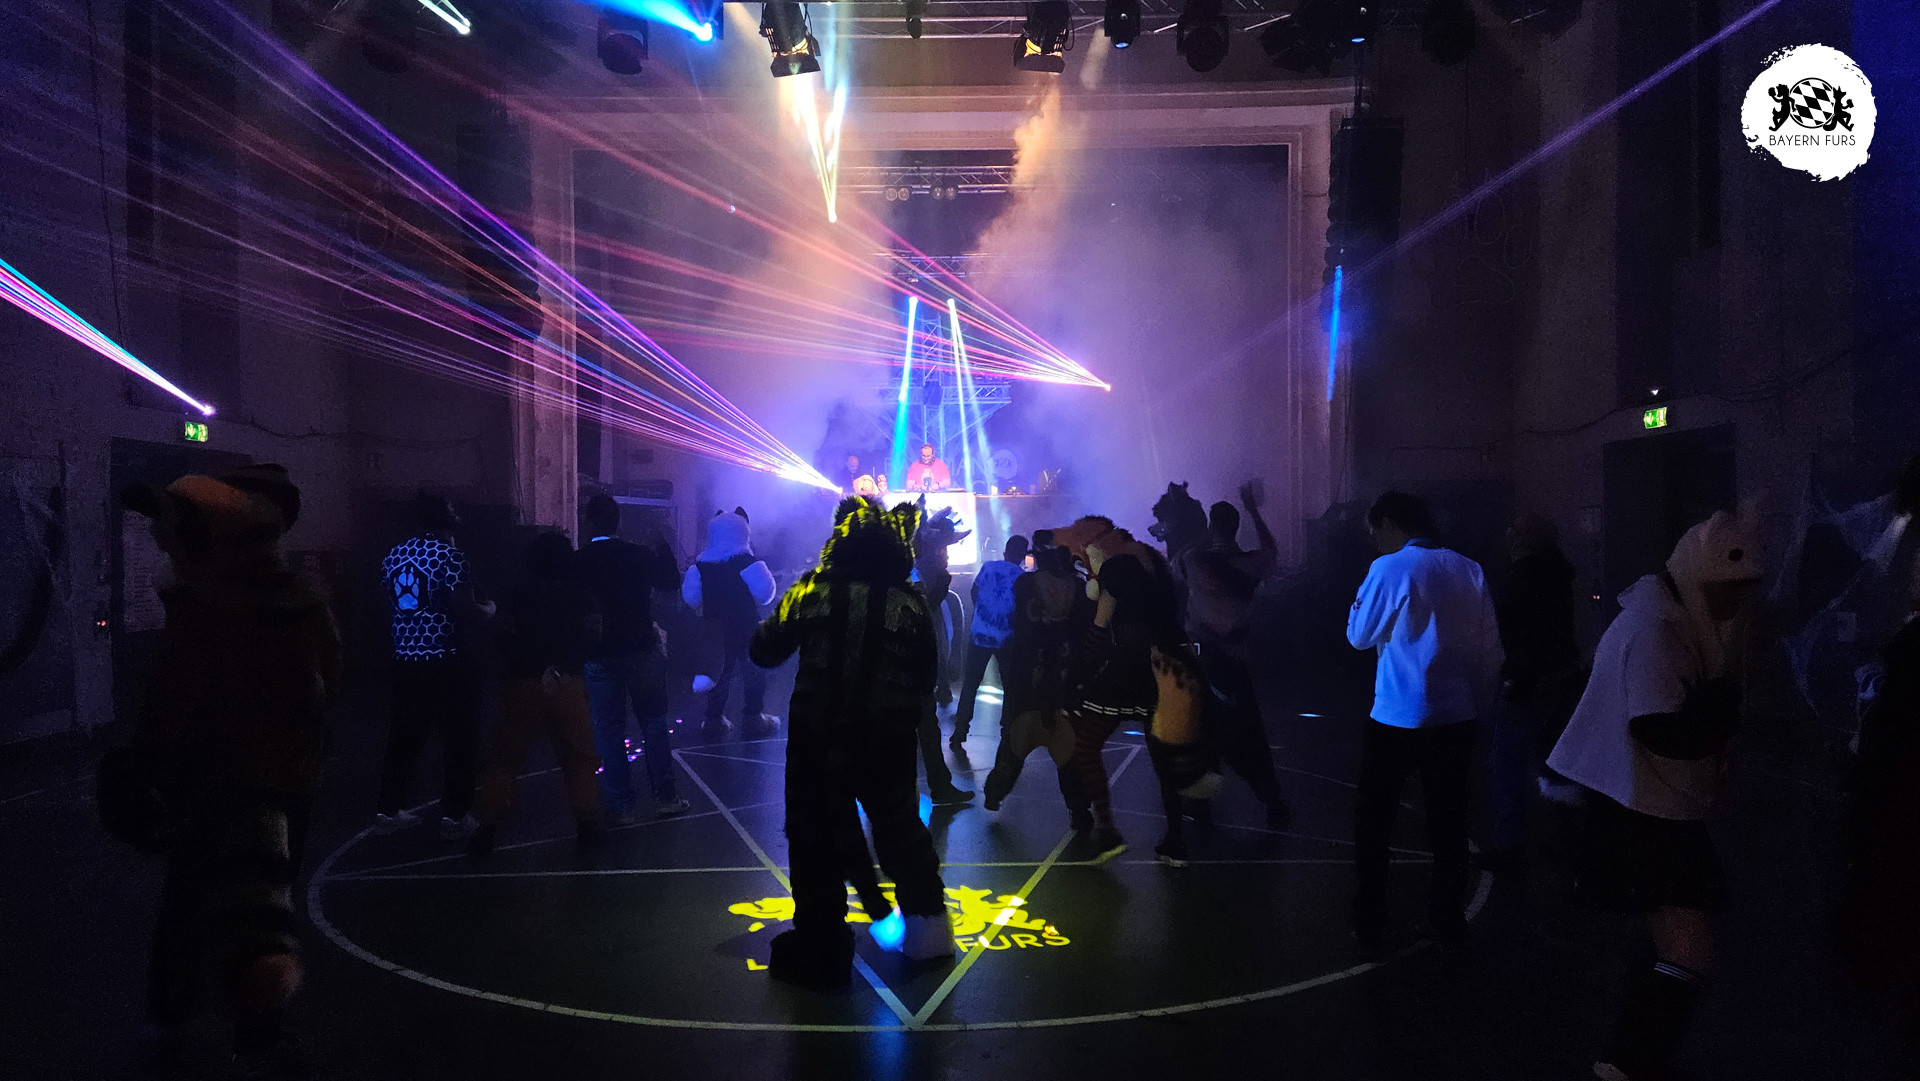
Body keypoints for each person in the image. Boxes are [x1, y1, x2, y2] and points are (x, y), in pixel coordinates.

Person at [115, 466, 342, 1074]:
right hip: (285, 778)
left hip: (215, 780)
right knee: (266, 902)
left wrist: (144, 768)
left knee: (194, 902)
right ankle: (257, 1030)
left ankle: (176, 1020)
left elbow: (172, 700)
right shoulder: (304, 602)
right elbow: (329, 683)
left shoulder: (205, 608)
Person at [1546, 512, 1761, 1081]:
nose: (1735, 602)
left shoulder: (1664, 618)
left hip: (1641, 801)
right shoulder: (1655, 630)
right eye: (1727, 589)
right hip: (1642, 807)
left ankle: (1628, 1058)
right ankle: (1633, 1060)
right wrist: (1721, 710)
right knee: (1689, 942)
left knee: (1673, 937)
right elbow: (1658, 727)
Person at [749, 497, 954, 989]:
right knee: (900, 828)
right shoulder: (910, 601)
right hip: (888, 736)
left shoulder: (812, 589)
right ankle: (929, 933)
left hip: (815, 736)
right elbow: (929, 673)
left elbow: (764, 650)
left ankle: (822, 946)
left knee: (813, 836)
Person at [1345, 490, 1503, 959]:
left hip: (1396, 717)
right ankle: (1447, 919)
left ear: (1389, 524)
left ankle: (1370, 920)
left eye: (1374, 532)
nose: (1374, 541)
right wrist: (1480, 707)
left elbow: (1358, 636)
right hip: (1456, 715)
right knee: (1449, 823)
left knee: (1375, 822)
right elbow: (1490, 652)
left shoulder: (1389, 568)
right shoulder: (1469, 569)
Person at [1049, 516, 1189, 864]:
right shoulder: (1149, 556)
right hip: (1168, 665)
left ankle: (1107, 830)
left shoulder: (1115, 567)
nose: (1081, 562)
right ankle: (1176, 839)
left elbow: (1100, 627)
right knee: (1165, 757)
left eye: (1081, 554)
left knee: (1085, 744)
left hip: (1130, 670)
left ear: (1093, 546)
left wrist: (1077, 676)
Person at [471, 533, 606, 855]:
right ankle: (587, 825)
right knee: (580, 758)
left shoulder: (515, 594)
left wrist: (534, 665)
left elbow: (501, 637)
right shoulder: (582, 596)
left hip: (524, 684)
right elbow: (593, 637)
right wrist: (563, 667)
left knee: (503, 760)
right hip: (568, 685)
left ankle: (487, 829)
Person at [376, 491, 493, 840]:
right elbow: (465, 609)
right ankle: (455, 816)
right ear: (447, 518)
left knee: (404, 738)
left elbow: (392, 604)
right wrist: (489, 610)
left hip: (406, 659)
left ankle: (388, 809)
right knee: (460, 740)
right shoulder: (449, 556)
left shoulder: (393, 556)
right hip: (446, 660)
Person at [1176, 483, 1292, 829]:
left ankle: (1202, 803)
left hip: (1205, 660)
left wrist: (1202, 531)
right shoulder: (1250, 563)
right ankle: (1270, 799)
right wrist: (1253, 510)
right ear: (1236, 527)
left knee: (1204, 730)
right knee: (1244, 730)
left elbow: (1176, 559)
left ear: (1212, 527)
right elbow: (1271, 550)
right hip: (1235, 659)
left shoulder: (1195, 561)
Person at [577, 494, 686, 824]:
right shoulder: (637, 554)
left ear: (587, 523)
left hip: (600, 654)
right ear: (619, 521)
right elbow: (672, 581)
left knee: (609, 730)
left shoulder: (579, 560)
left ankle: (621, 805)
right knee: (653, 723)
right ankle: (665, 799)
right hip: (641, 648)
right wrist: (662, 546)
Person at [1485, 513, 1581, 867]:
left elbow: (1507, 632)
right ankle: (1571, 838)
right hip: (1559, 680)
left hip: (1526, 682)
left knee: (1508, 763)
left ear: (1525, 540)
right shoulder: (1559, 575)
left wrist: (1510, 674)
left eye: (1514, 532)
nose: (1508, 538)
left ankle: (1510, 847)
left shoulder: (1520, 579)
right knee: (1556, 761)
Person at [983, 535, 1090, 811]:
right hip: (1064, 680)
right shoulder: (1080, 589)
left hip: (1027, 680)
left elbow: (1018, 630)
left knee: (1013, 743)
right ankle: (1079, 812)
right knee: (1068, 751)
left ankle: (994, 794)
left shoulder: (1025, 585)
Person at [684, 508, 780, 740]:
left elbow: (691, 598)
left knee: (719, 674)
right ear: (743, 531)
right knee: (754, 671)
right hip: (746, 626)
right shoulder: (749, 562)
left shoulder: (700, 567)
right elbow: (765, 595)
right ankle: (753, 717)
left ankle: (714, 720)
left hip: (714, 629)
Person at [914, 506, 974, 803]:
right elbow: (925, 613)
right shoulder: (919, 580)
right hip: (909, 669)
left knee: (925, 726)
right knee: (921, 726)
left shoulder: (925, 576)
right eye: (944, 550)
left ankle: (938, 786)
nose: (947, 555)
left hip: (913, 671)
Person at [951, 535, 1030, 748]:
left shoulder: (988, 567)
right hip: (1007, 639)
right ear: (1024, 556)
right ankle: (1007, 734)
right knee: (1009, 688)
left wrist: (983, 614)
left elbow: (974, 591)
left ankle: (959, 732)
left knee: (970, 685)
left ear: (1005, 552)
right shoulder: (1023, 577)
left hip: (979, 634)